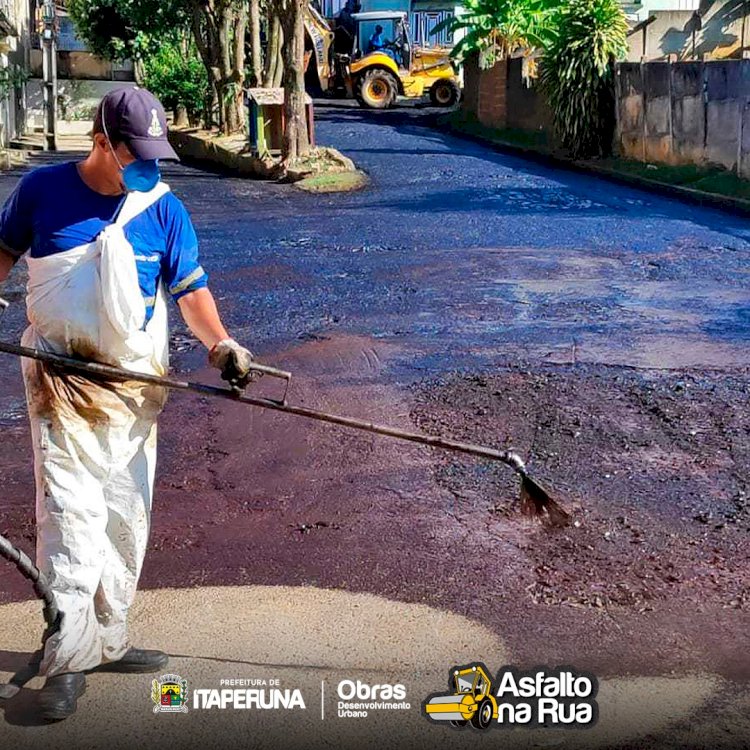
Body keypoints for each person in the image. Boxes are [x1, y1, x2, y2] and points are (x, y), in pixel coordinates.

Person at [0, 86, 255, 721]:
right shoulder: (41, 192)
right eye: (134, 152)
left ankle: (107, 637)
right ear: (102, 142)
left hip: (137, 391)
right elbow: (1, 255)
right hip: (60, 382)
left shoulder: (164, 209)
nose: (146, 166)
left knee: (124, 517)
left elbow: (190, 288)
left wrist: (221, 345)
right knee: (72, 516)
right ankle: (68, 652)